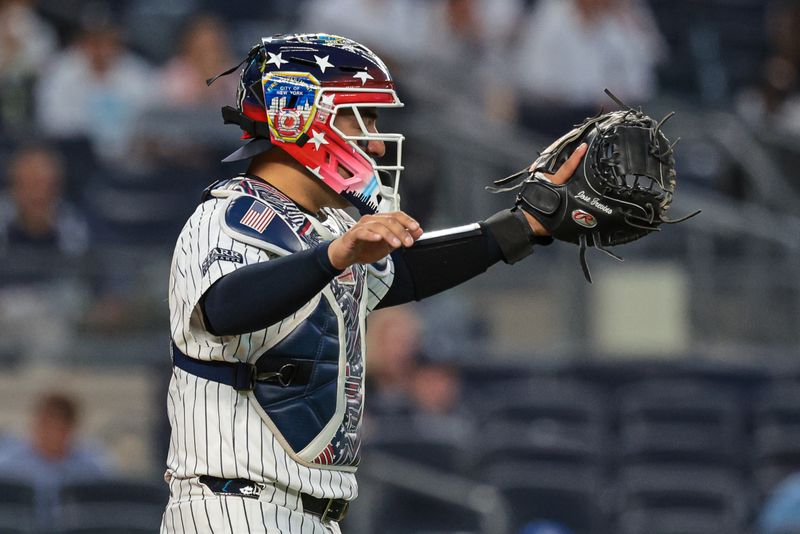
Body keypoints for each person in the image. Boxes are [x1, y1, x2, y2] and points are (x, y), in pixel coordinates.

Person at [162, 33, 587, 533]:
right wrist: (333, 257)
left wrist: (523, 227)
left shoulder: (333, 226)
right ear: (296, 114)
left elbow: (403, 272)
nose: (378, 141)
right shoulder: (227, 214)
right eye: (360, 116)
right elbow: (225, 308)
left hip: (308, 515)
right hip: (232, 508)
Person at [0, 392, 114, 528]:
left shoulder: (91, 466)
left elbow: (104, 511)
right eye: (44, 424)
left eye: (57, 427)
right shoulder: (9, 464)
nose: (48, 433)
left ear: (70, 428)